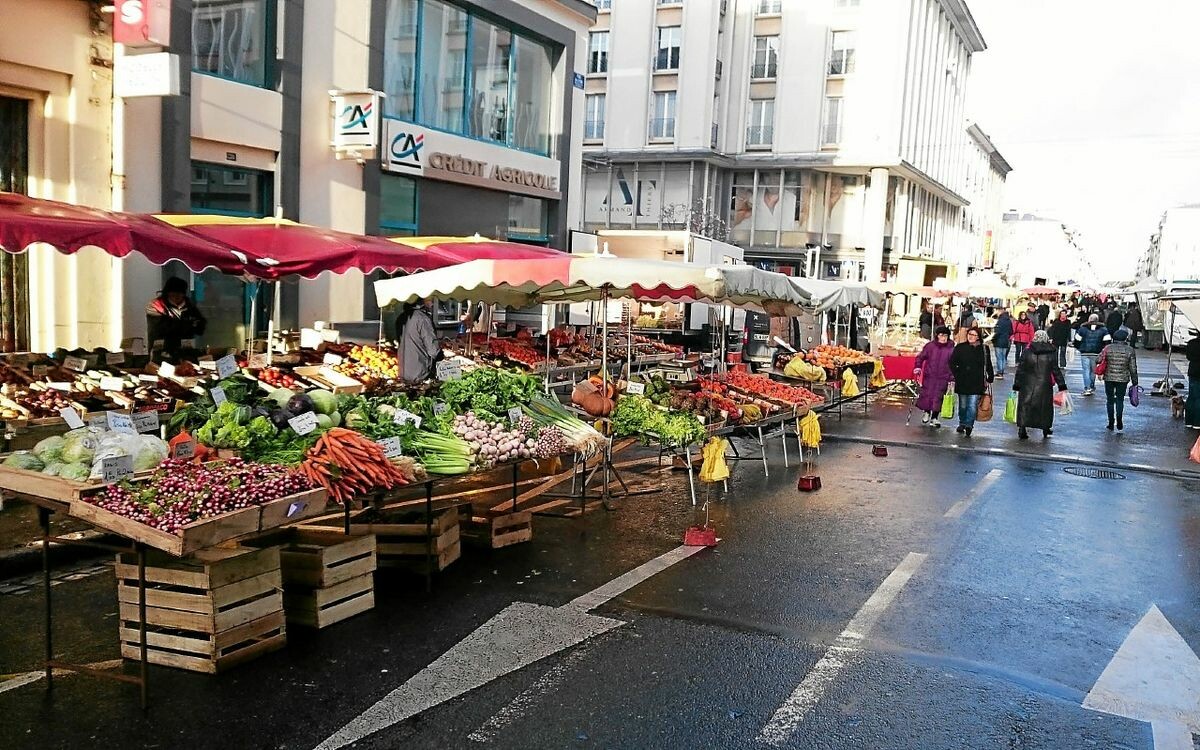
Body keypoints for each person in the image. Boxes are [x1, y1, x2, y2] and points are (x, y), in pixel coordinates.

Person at [1013, 330, 1068, 440]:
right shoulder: (1051, 352)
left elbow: (1021, 370)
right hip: (1044, 383)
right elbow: (1055, 370)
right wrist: (1061, 385)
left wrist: (1016, 384)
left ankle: (1022, 428)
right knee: (1045, 407)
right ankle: (1045, 427)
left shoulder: (1027, 352)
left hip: (1027, 383)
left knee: (1025, 405)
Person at [949, 326, 994, 436]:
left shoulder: (983, 349)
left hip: (977, 381)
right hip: (962, 380)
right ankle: (962, 422)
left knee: (972, 404)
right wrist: (957, 373)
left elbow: (988, 364)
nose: (971, 337)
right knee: (963, 404)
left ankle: (969, 424)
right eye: (970, 334)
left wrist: (990, 376)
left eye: (974, 335)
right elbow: (952, 362)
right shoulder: (960, 347)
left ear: (978, 337)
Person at [145, 277, 206, 358]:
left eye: (180, 294)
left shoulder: (189, 305)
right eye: (173, 294)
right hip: (161, 351)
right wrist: (189, 324)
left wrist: (183, 325)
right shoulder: (156, 305)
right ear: (167, 293)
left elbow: (200, 327)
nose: (176, 297)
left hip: (185, 351)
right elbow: (162, 328)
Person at [914, 326, 955, 427]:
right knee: (928, 394)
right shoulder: (930, 346)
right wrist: (918, 367)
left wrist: (952, 376)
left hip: (943, 377)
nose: (943, 338)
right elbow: (921, 357)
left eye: (945, 335)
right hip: (930, 375)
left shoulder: (951, 349)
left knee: (939, 397)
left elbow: (954, 364)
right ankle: (927, 412)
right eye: (941, 335)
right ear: (937, 336)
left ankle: (935, 417)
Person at [395, 298, 443, 382]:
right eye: (430, 300)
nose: (432, 304)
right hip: (420, 373)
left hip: (402, 372)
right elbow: (433, 350)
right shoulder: (422, 319)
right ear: (421, 302)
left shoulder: (401, 318)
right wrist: (443, 356)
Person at [1100, 329, 1138, 431]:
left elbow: (1098, 360)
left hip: (1109, 377)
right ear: (1125, 338)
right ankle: (1119, 419)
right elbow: (1133, 368)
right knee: (1120, 399)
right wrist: (1135, 382)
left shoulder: (1107, 348)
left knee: (1110, 400)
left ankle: (1111, 422)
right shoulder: (1130, 350)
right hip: (1123, 378)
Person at [1073, 313, 1111, 396]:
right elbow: (1107, 342)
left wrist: (1078, 348)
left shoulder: (1082, 329)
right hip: (1097, 352)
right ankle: (1092, 385)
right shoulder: (1103, 329)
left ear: (1089, 319)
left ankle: (1087, 387)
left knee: (1086, 370)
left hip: (1084, 352)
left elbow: (1077, 340)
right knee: (1093, 371)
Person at [992, 307, 1013, 378]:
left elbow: (997, 332)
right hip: (1006, 341)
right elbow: (1011, 331)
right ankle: (1002, 371)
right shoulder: (1009, 320)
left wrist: (993, 339)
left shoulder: (1000, 320)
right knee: (1003, 357)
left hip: (999, 340)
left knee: (999, 357)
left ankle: (1000, 372)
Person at [1186, 329, 1200, 430]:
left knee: (1191, 397)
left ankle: (1188, 421)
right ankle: (1197, 422)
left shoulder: (1191, 343)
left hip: (1192, 370)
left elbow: (1188, 356)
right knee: (1199, 398)